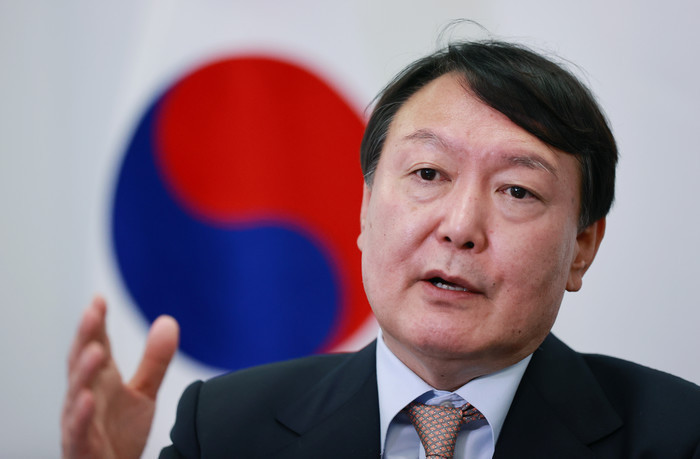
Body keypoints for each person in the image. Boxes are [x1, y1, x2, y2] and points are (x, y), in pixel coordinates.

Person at [62, 40, 700, 458]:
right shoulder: (226, 428)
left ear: (583, 246)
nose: (460, 227)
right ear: (366, 209)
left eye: (516, 190)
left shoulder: (678, 436)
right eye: (428, 174)